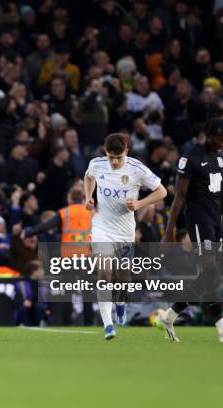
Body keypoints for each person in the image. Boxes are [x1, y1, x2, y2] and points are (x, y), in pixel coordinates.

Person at [158, 118, 223, 343]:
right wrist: (169, 230)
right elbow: (179, 197)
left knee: (209, 275)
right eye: (219, 139)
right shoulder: (190, 157)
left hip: (215, 220)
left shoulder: (220, 157)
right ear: (207, 135)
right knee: (209, 271)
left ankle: (170, 315)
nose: (222, 143)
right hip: (198, 220)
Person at [84, 133, 167, 340]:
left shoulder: (137, 169)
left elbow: (162, 192)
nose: (114, 161)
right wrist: (88, 197)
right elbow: (88, 177)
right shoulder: (97, 164)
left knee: (123, 276)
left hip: (125, 231)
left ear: (126, 152)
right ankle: (108, 324)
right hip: (102, 226)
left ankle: (120, 303)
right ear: (106, 153)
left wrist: (139, 204)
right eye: (111, 157)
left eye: (118, 157)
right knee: (104, 271)